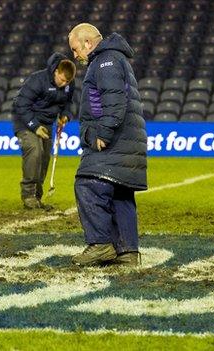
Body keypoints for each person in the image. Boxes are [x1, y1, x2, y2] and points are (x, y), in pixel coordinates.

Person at [67, 23, 147, 266]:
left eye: (75, 49)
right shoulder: (114, 59)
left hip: (114, 140)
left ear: (88, 43)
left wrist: (103, 132)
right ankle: (127, 252)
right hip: (128, 143)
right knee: (120, 191)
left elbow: (113, 99)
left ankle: (100, 244)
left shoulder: (105, 61)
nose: (74, 55)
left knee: (89, 183)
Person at [12, 52, 76, 210]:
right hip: (26, 122)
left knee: (44, 158)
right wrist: (34, 126)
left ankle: (36, 197)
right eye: (62, 80)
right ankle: (28, 195)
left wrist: (65, 116)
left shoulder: (68, 84)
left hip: (47, 124)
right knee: (35, 151)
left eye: (67, 82)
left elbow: (68, 103)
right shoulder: (37, 80)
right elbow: (20, 104)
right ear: (56, 72)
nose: (63, 84)